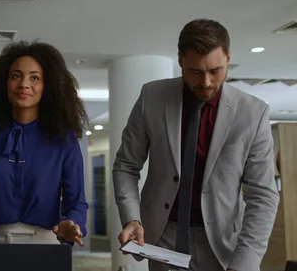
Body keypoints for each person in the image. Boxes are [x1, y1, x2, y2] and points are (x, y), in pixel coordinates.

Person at [113, 19, 279, 271]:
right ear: (180, 60)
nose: (206, 82)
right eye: (195, 72)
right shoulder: (152, 97)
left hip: (223, 243)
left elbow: (263, 195)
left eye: (216, 71)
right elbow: (125, 166)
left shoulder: (253, 113)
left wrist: (246, 261)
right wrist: (132, 218)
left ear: (228, 57)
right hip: (163, 236)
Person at [0, 41, 89, 252]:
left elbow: (77, 202)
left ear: (48, 86)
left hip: (44, 243)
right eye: (16, 76)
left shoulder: (64, 140)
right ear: (5, 82)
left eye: (34, 78)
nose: (24, 84)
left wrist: (73, 224)